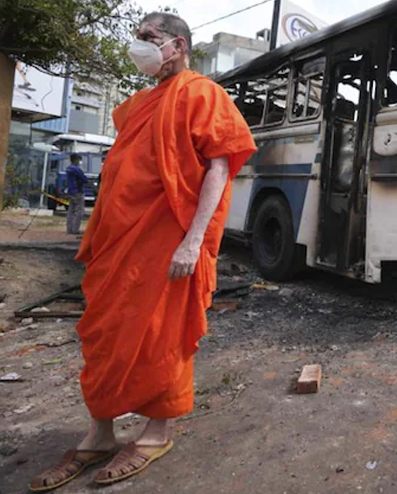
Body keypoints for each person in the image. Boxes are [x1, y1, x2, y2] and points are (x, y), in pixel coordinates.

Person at [29, 12, 256, 491]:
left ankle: (156, 433)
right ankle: (101, 434)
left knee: (160, 334)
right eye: (138, 38)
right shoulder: (137, 105)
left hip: (166, 240)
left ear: (177, 45)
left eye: (149, 38)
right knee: (103, 332)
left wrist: (193, 240)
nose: (140, 46)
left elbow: (219, 169)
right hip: (118, 243)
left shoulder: (202, 94)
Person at [65, 153, 88, 235]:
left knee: (71, 211)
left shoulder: (68, 168)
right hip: (78, 191)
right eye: (79, 160)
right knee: (80, 211)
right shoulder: (76, 169)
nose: (79, 162)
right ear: (75, 160)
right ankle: (75, 229)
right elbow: (84, 179)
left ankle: (69, 229)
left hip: (71, 191)